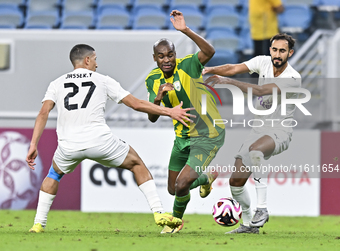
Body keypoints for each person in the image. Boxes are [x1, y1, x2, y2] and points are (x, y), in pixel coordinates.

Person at [26, 44, 195, 233]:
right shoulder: (103, 80)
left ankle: (38, 224)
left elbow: (43, 112)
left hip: (69, 145)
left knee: (53, 174)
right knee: (137, 164)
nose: (97, 64)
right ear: (87, 60)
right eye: (95, 59)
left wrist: (33, 144)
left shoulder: (56, 83)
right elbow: (137, 104)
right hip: (100, 141)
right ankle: (159, 213)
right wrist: (169, 111)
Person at [203, 33, 301, 234]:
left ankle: (262, 209)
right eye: (274, 49)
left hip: (280, 131)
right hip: (257, 130)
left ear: (290, 53)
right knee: (236, 182)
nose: (277, 54)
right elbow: (232, 68)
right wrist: (209, 69)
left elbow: (261, 91)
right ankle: (248, 225)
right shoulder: (263, 62)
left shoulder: (293, 77)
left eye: (282, 51)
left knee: (256, 150)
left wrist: (228, 82)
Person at [145, 10, 225, 234]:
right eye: (161, 56)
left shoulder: (188, 66)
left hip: (207, 134)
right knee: (173, 189)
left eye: (170, 54)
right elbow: (152, 117)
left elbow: (210, 51)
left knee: (182, 185)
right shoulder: (152, 79)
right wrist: (159, 99)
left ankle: (174, 223)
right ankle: (207, 177)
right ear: (155, 59)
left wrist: (185, 30)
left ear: (175, 54)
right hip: (181, 138)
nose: (167, 59)